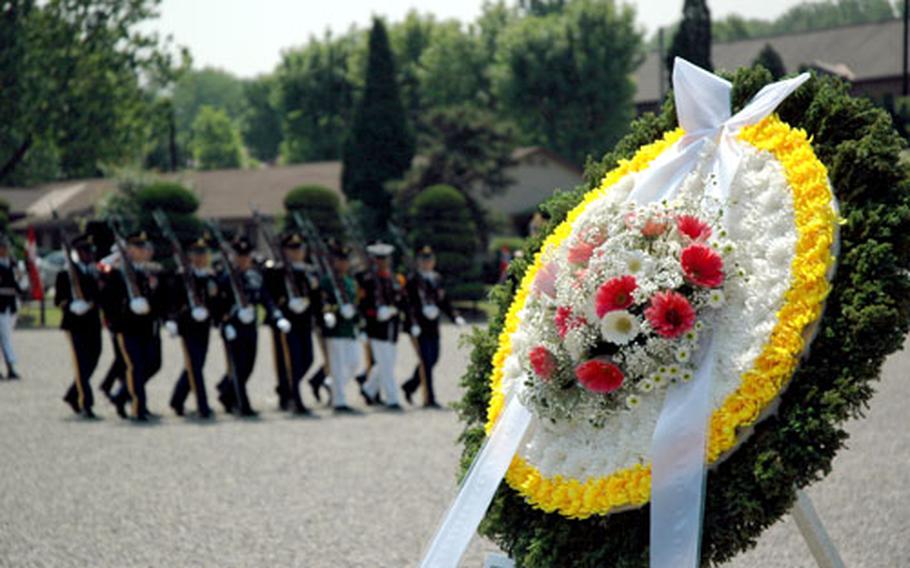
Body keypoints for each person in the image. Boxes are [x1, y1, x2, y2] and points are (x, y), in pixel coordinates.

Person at [214, 235, 281, 417]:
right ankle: (242, 405)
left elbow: (264, 297)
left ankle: (226, 391)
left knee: (249, 365)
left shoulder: (255, 276)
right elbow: (218, 304)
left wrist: (275, 314)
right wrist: (225, 322)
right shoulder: (224, 277)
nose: (243, 259)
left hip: (250, 326)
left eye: (246, 255)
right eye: (239, 256)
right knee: (237, 365)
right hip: (233, 328)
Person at [100, 231, 163, 422]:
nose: (145, 252)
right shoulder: (118, 273)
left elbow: (159, 298)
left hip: (147, 327)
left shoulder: (148, 272)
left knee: (153, 364)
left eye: (145, 248)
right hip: (126, 328)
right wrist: (117, 322)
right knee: (134, 366)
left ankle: (122, 396)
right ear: (130, 251)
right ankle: (139, 407)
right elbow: (108, 301)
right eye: (140, 248)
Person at [264, 232, 321, 415]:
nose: (296, 253)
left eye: (299, 249)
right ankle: (295, 400)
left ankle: (285, 389)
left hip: (304, 321)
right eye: (292, 249)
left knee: (308, 358)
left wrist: (321, 316)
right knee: (291, 360)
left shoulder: (308, 271)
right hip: (286, 322)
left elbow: (315, 297)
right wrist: (278, 314)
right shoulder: (276, 271)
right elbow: (268, 296)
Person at [402, 245, 466, 408]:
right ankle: (429, 398)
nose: (427, 263)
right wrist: (412, 323)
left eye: (429, 260)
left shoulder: (437, 279)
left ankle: (410, 385)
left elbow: (444, 301)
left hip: (433, 325)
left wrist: (454, 316)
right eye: (424, 260)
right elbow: (407, 303)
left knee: (433, 358)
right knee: (425, 360)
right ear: (418, 262)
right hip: (419, 326)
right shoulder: (412, 280)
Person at [165, 237, 219, 419]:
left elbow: (217, 301)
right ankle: (203, 406)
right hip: (188, 327)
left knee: (196, 364)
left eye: (203, 254)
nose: (201, 258)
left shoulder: (211, 276)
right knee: (195, 365)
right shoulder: (182, 277)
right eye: (197, 254)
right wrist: (174, 320)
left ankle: (176, 400)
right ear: (190, 256)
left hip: (204, 327)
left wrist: (215, 316)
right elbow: (173, 301)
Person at [357, 242, 408, 411]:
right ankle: (392, 398)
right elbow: (363, 305)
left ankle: (368, 389)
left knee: (386, 363)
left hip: (392, 328)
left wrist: (395, 310)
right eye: (379, 259)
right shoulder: (368, 280)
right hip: (376, 328)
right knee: (385, 364)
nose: (382, 262)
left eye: (385, 258)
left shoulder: (395, 279)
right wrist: (374, 314)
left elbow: (402, 300)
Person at [57, 234, 103, 418]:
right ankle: (86, 403)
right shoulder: (65, 273)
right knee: (81, 363)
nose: (89, 254)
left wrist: (92, 302)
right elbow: (59, 299)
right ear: (77, 252)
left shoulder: (95, 272)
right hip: (75, 324)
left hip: (92, 322)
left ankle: (71, 394)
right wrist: (71, 305)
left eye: (90, 251)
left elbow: (102, 296)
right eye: (85, 251)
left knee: (94, 359)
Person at [319, 241, 361, 414]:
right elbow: (323, 301)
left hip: (349, 329)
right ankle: (339, 401)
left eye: (346, 260)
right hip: (335, 329)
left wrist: (356, 317)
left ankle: (331, 386)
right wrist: (332, 311)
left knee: (354, 363)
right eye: (340, 260)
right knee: (337, 365)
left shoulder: (350, 282)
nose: (343, 263)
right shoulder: (328, 281)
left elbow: (356, 302)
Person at [0, 235, 22, 379]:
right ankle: (10, 367)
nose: (5, 250)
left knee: (6, 337)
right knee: (4, 338)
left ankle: (10, 367)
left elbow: (19, 284)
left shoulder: (12, 264)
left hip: (10, 305)